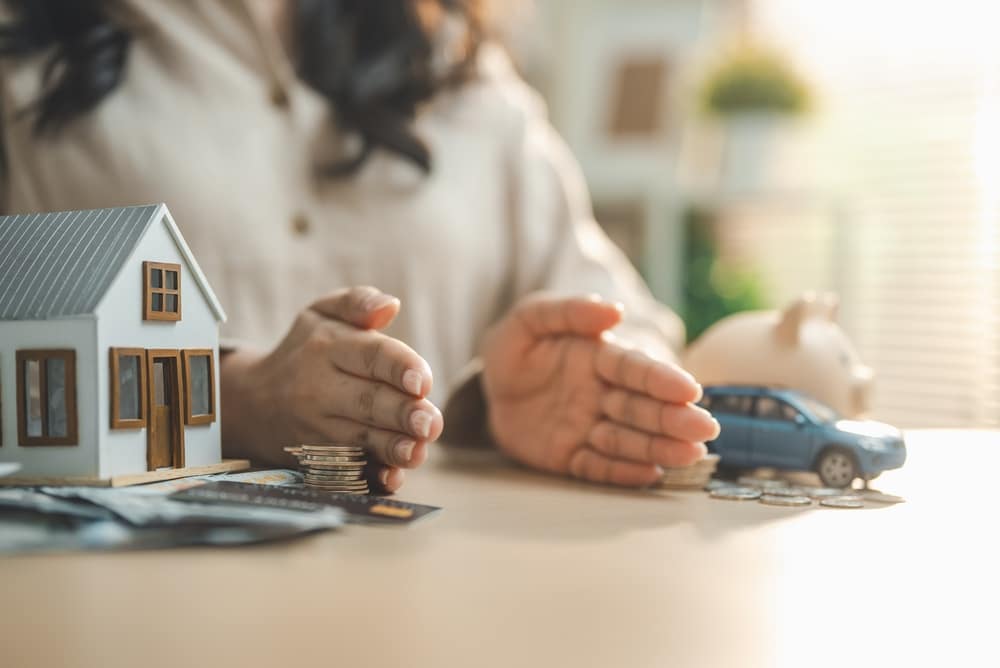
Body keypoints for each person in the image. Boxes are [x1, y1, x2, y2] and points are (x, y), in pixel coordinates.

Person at [0, 0, 719, 493]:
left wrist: (505, 404)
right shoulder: (21, 59)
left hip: (446, 613)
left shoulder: (460, 60)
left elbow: (629, 318)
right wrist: (230, 403)